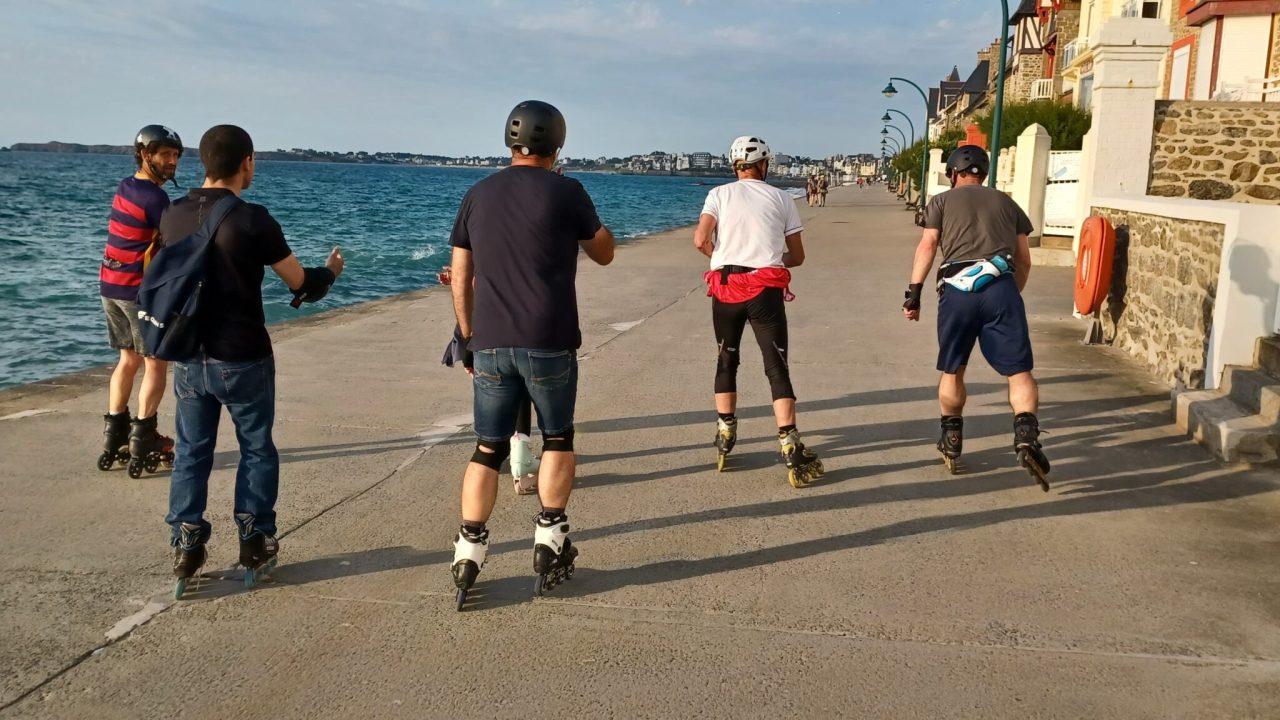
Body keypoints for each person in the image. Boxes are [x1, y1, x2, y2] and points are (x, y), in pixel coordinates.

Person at [158, 125, 344, 597]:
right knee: (256, 446)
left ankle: (186, 542)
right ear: (247, 162)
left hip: (187, 356)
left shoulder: (173, 214)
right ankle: (256, 538)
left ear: (202, 162)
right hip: (241, 356)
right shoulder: (253, 219)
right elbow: (300, 282)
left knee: (192, 451)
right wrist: (331, 272)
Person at [447, 100, 615, 609]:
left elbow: (460, 273)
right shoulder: (568, 192)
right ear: (557, 145)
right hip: (550, 340)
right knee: (558, 436)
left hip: (491, 341)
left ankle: (469, 548)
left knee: (487, 447)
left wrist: (468, 334)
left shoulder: (477, 194)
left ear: (509, 141)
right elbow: (604, 251)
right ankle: (549, 538)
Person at [901, 145, 1050, 490]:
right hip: (1001, 286)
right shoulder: (1008, 203)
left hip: (956, 290)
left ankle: (952, 436)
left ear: (953, 173)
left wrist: (914, 293)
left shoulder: (940, 202)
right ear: (984, 172)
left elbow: (927, 245)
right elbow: (1024, 260)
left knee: (954, 368)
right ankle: (1026, 434)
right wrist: (1010, 294)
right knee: (1019, 371)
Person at [693, 135, 824, 489]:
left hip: (725, 286)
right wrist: (766, 260)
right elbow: (796, 256)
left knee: (726, 358)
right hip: (765, 289)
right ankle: (789, 441)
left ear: (735, 166)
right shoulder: (782, 198)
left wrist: (724, 258)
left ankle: (725, 429)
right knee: (776, 364)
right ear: (764, 165)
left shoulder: (718, 195)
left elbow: (701, 240)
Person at [96, 125, 183, 475]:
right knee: (156, 363)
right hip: (135, 291)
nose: (172, 162)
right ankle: (143, 435)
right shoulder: (155, 198)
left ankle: (114, 431)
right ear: (146, 155)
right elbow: (174, 243)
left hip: (110, 286)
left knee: (127, 360)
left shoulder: (126, 186)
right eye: (165, 155)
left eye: (176, 156)